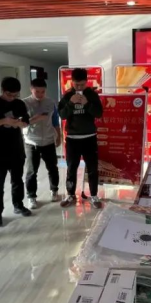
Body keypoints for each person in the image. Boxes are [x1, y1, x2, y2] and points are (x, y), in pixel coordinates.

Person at [0, 77, 31, 227]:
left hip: (16, 148)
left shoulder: (19, 104)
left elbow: (26, 122)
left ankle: (18, 205)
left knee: (17, 180)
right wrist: (3, 121)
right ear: (2, 90)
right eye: (9, 94)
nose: (12, 98)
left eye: (15, 95)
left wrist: (20, 123)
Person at [58, 68, 104, 209]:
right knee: (71, 168)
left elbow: (99, 113)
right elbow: (62, 115)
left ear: (87, 82)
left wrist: (87, 104)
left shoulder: (92, 95)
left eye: (82, 85)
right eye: (76, 84)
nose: (79, 87)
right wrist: (71, 103)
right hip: (72, 138)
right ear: (71, 82)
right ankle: (70, 195)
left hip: (89, 137)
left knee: (92, 168)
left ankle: (94, 195)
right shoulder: (67, 95)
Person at [23, 78, 63, 211]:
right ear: (31, 89)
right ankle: (31, 196)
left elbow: (55, 121)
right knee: (31, 171)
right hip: (31, 141)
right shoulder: (24, 103)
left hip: (48, 141)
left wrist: (58, 136)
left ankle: (54, 190)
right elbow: (21, 122)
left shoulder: (50, 102)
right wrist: (35, 119)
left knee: (52, 168)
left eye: (43, 92)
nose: (40, 94)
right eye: (37, 91)